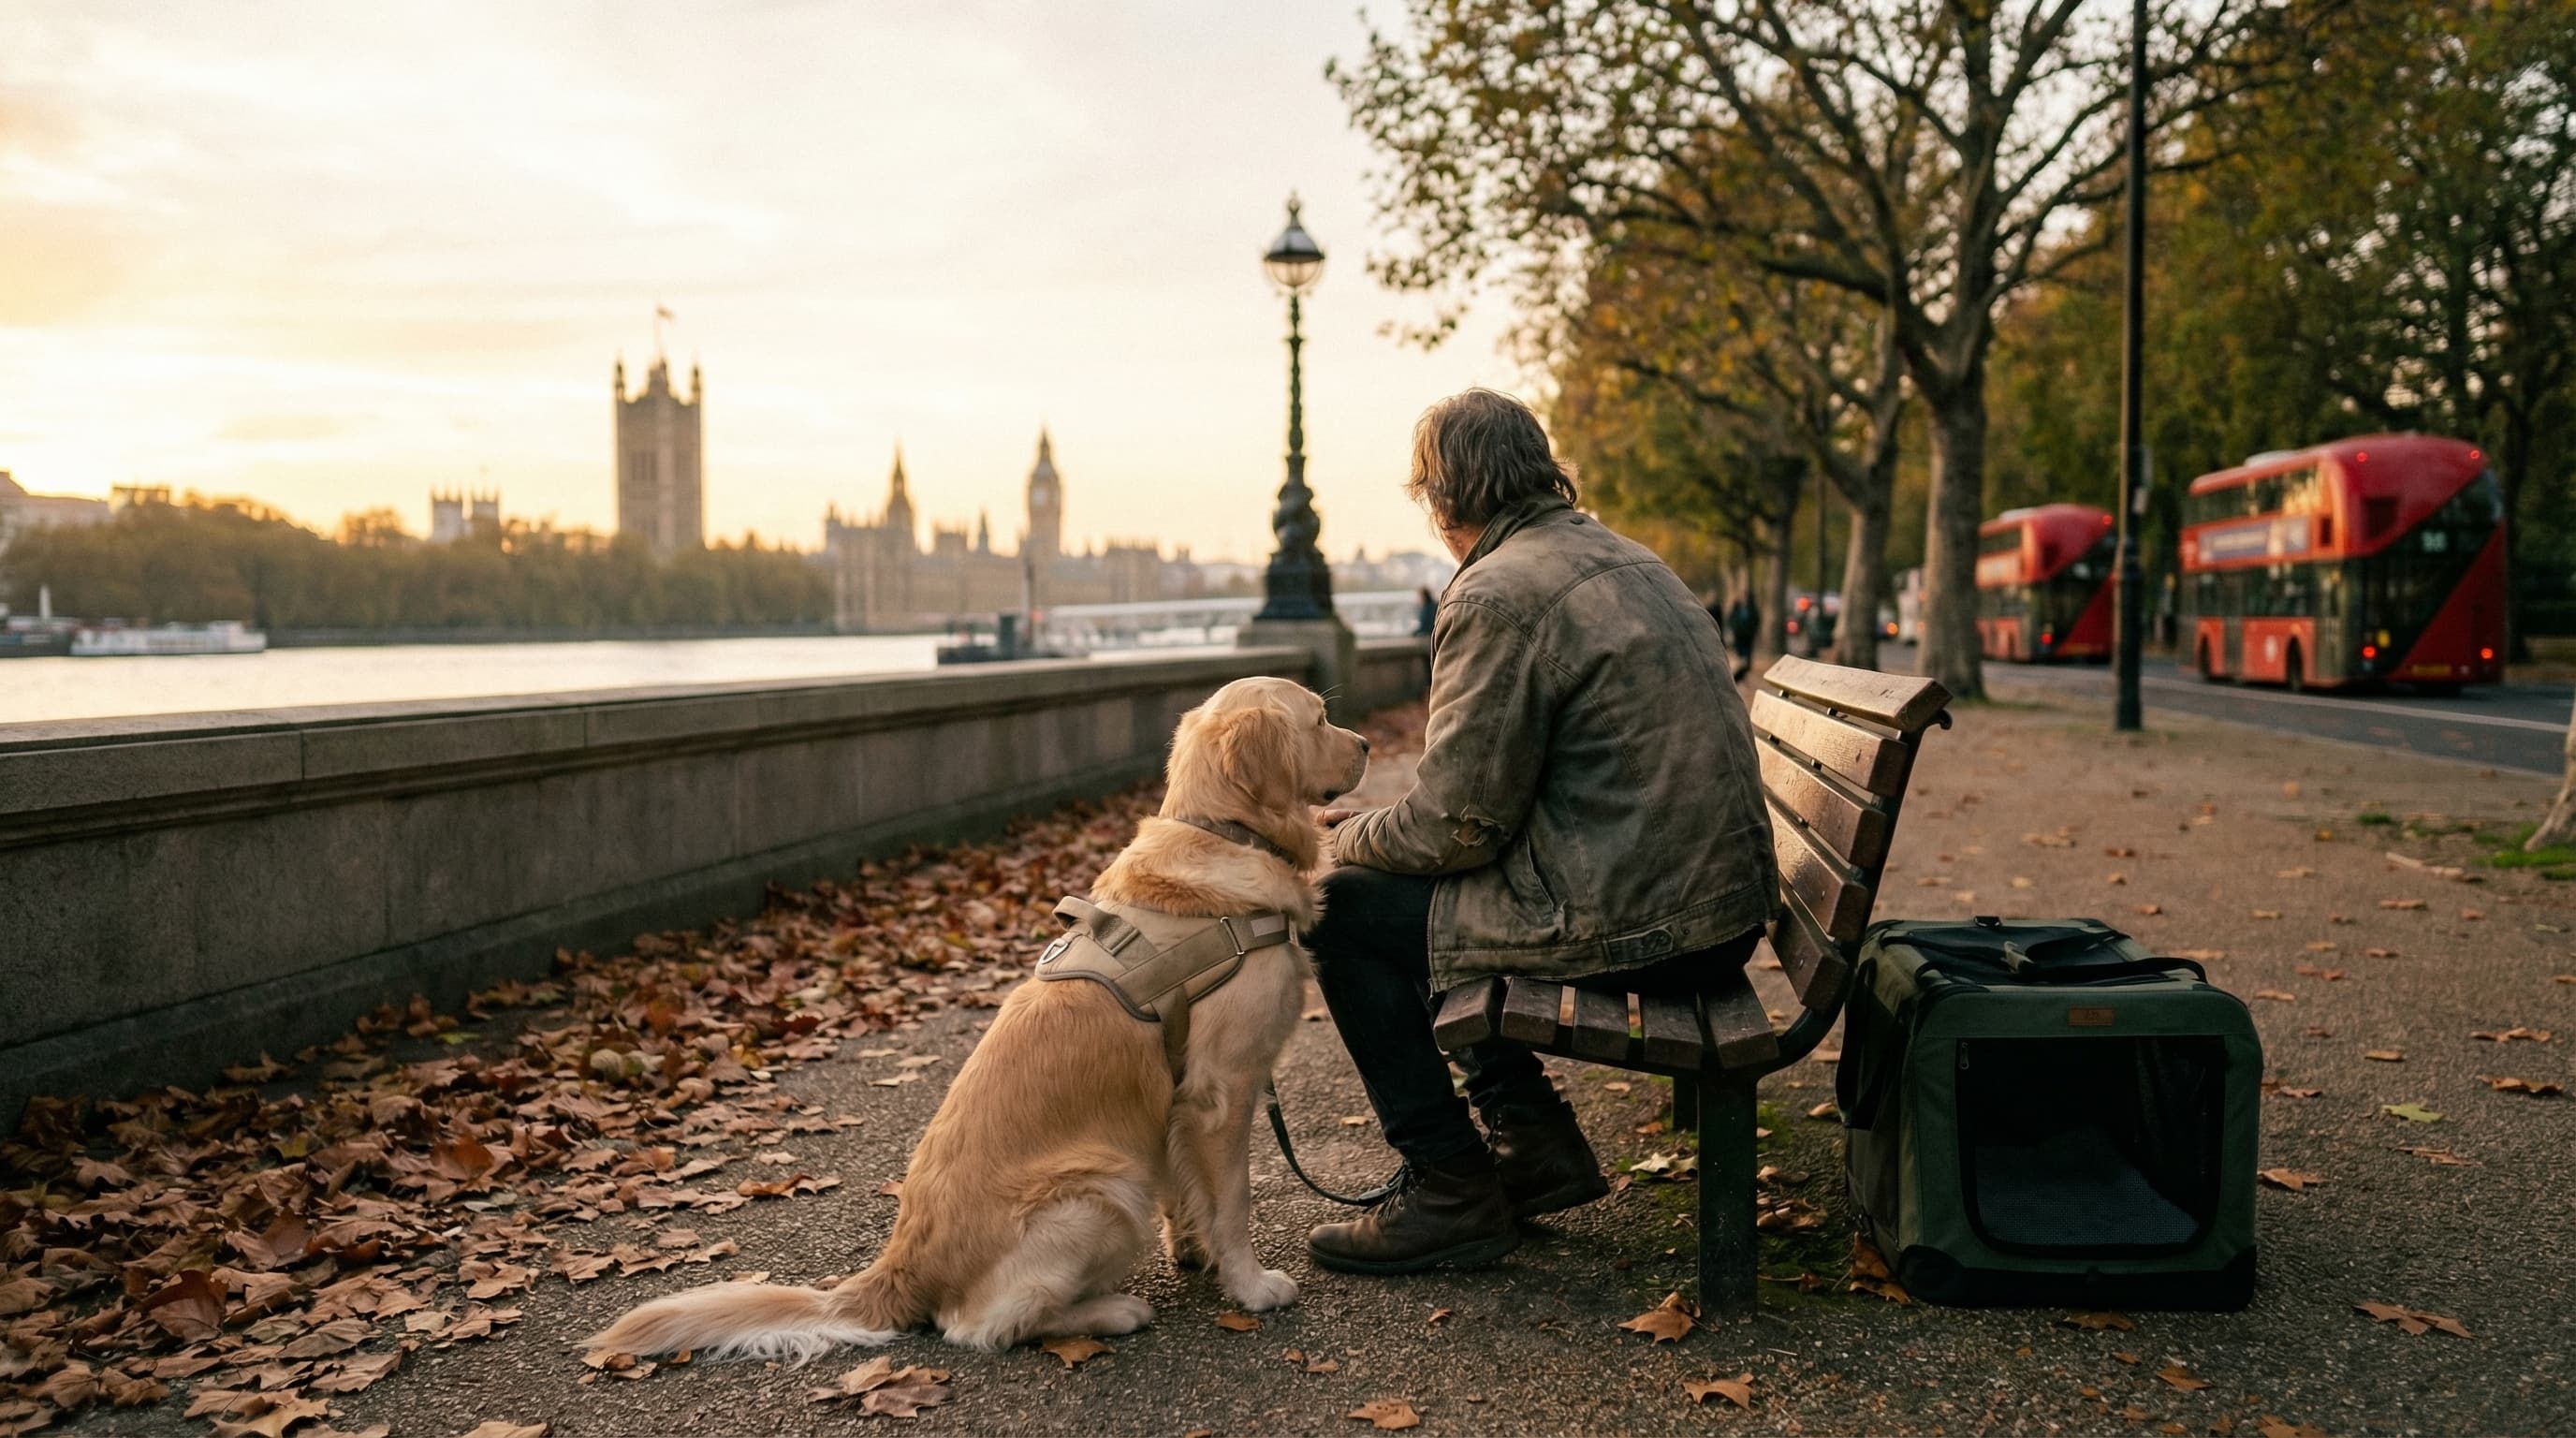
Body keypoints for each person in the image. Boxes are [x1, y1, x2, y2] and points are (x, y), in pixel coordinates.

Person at [1303, 389, 1778, 1274]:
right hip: (1719, 911)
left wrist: (1343, 836)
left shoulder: (1494, 592)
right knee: (1430, 901)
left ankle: (1449, 1185)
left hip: (1651, 923)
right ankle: (1533, 1143)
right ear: (1539, 469)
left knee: (1340, 908)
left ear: (1443, 500)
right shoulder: (1632, 560)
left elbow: (1455, 829)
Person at [1722, 592, 1760, 680]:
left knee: (1747, 653)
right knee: (1740, 652)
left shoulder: (1752, 609)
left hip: (1748, 635)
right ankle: (1741, 668)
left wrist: (1752, 631)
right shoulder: (1737, 608)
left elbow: (1756, 620)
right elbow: (1731, 619)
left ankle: (1745, 668)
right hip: (1739, 635)